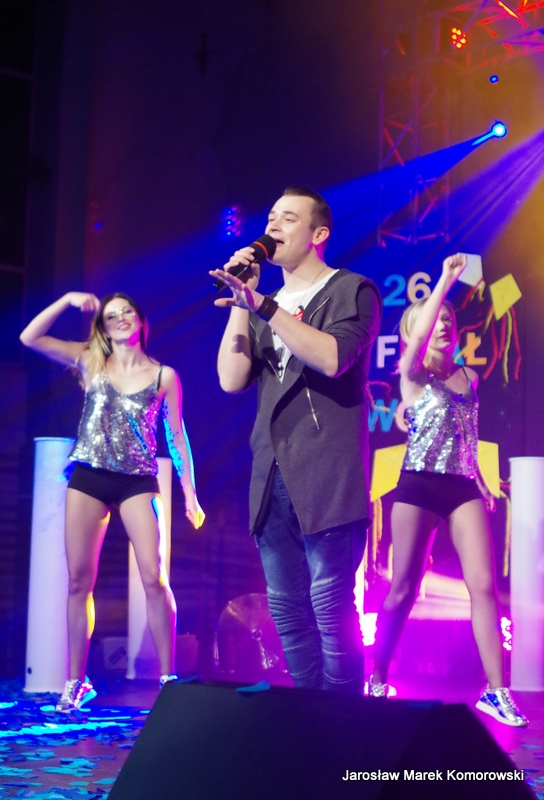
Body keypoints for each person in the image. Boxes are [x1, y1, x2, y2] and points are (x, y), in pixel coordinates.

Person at [210, 187, 382, 693]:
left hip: (328, 469)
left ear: (318, 234)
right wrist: (242, 300)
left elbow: (332, 358)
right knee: (286, 610)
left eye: (288, 218)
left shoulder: (352, 290)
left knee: (330, 603)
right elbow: (230, 379)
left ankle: (344, 719)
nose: (273, 226)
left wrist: (263, 305)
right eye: (270, 217)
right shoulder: (263, 304)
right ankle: (309, 715)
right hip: (271, 472)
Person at [20, 291, 205, 712]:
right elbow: (29, 337)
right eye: (111, 315)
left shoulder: (164, 376)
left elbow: (177, 437)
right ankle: (76, 682)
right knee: (78, 581)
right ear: (103, 328)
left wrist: (190, 494)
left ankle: (167, 679)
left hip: (137, 480)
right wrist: (66, 300)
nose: (120, 318)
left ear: (140, 320)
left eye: (127, 312)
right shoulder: (90, 361)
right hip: (89, 476)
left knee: (154, 577)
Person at [369, 254, 527, 727]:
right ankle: (377, 676)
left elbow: (466, 435)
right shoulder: (413, 373)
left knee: (483, 585)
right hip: (417, 485)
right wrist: (444, 282)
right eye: (434, 319)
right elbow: (417, 343)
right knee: (403, 589)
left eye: (448, 319)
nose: (443, 325)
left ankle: (496, 691)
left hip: (460, 488)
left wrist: (479, 478)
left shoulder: (469, 378)